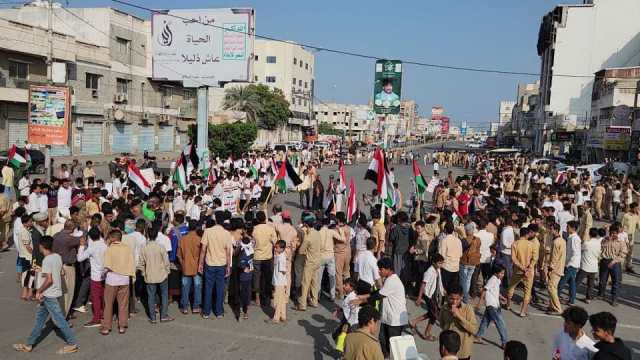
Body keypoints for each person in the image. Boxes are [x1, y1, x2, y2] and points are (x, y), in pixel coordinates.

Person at [12, 236, 78, 355]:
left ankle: (72, 343)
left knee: (59, 320)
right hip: (53, 292)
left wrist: (39, 291)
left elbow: (49, 279)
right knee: (40, 320)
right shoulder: (57, 256)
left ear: (41, 246)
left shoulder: (47, 260)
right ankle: (28, 344)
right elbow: (61, 272)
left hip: (49, 294)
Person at [199, 212, 233, 319]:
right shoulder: (227, 233)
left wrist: (200, 264)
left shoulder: (208, 231)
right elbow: (228, 252)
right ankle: (219, 312)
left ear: (216, 220)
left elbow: (203, 250)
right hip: (221, 264)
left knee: (208, 288)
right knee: (220, 288)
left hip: (209, 263)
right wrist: (228, 266)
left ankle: (206, 312)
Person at [101, 229, 135, 335]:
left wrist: (103, 275)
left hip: (111, 279)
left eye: (110, 237)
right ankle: (122, 326)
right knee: (123, 304)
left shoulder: (110, 249)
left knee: (108, 304)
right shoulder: (127, 249)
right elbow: (132, 263)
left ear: (113, 238)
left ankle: (106, 327)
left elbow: (106, 266)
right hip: (124, 279)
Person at [139, 227, 173, 324]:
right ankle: (163, 316)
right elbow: (166, 262)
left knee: (151, 296)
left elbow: (141, 263)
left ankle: (153, 317)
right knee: (164, 295)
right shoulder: (161, 247)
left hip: (149, 275)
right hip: (162, 274)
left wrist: (143, 273)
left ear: (148, 235)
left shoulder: (144, 247)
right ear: (157, 235)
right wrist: (167, 272)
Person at [76, 226, 107, 328]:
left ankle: (96, 318)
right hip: (105, 274)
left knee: (95, 298)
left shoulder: (92, 248)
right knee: (103, 296)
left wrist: (81, 246)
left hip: (96, 276)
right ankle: (103, 314)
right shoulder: (105, 245)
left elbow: (80, 258)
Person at [410, 253, 445, 342]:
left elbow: (439, 281)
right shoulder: (429, 272)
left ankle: (414, 322)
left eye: (442, 263)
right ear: (434, 262)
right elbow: (423, 285)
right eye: (439, 263)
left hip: (434, 294)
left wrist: (443, 290)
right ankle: (426, 333)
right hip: (428, 295)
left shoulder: (438, 270)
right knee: (434, 314)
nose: (441, 265)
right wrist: (419, 298)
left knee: (433, 313)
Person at [439, 283, 478, 360]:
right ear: (447, 297)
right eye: (451, 299)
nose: (454, 302)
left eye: (457, 299)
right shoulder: (444, 308)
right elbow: (442, 324)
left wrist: (458, 316)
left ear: (461, 297)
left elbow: (474, 329)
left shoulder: (468, 309)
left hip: (463, 352)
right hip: (448, 351)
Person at [475, 265, 508, 348]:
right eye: (501, 273)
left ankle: (478, 336)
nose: (502, 275)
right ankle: (504, 342)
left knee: (485, 321)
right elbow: (484, 290)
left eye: (503, 273)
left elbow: (495, 291)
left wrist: (501, 297)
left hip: (495, 304)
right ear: (496, 273)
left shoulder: (497, 280)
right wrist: (480, 303)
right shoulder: (492, 280)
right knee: (500, 323)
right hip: (491, 305)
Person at [505, 227, 535, 317]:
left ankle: (508, 305)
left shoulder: (515, 244)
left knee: (511, 287)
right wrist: (528, 268)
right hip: (529, 271)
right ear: (527, 234)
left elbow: (514, 259)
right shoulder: (531, 244)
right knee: (527, 291)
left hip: (518, 270)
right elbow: (535, 259)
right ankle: (522, 311)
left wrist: (522, 268)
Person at [177, 220, 202, 314]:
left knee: (185, 287)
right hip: (197, 267)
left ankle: (184, 307)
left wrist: (182, 263)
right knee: (197, 286)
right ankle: (195, 307)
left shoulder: (183, 239)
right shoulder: (199, 239)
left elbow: (179, 255)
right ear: (196, 228)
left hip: (186, 266)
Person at [558, 220, 581, 305]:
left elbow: (575, 252)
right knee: (572, 283)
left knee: (562, 282)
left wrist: (568, 264)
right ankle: (571, 300)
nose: (566, 228)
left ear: (573, 228)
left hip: (571, 264)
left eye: (568, 227)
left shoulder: (574, 238)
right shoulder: (572, 237)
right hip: (572, 264)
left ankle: (555, 298)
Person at [576, 227, 601, 304]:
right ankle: (588, 298)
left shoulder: (587, 243)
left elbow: (580, 249)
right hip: (594, 267)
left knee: (576, 282)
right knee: (590, 284)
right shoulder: (598, 243)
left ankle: (571, 295)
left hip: (585, 266)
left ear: (589, 234)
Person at [546, 223, 566, 315]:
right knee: (553, 287)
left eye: (551, 229)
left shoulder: (556, 242)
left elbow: (554, 257)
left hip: (555, 269)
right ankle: (552, 306)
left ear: (556, 230)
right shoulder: (562, 240)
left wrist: (550, 268)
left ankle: (558, 308)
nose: (550, 231)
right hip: (560, 267)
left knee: (551, 288)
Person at [270, 240, 288, 323]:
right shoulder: (280, 255)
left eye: (277, 247)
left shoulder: (281, 258)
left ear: (282, 248)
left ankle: (276, 317)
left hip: (279, 282)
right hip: (280, 281)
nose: (275, 248)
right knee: (282, 299)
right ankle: (283, 315)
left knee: (278, 300)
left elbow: (283, 270)